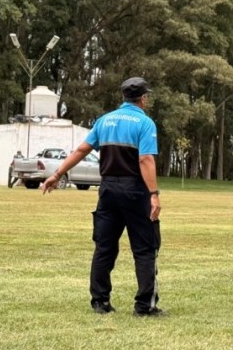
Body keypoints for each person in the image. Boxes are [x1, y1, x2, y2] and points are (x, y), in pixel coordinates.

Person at [42, 77, 163, 317]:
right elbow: (145, 159)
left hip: (107, 190)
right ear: (142, 98)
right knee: (145, 248)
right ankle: (144, 306)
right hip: (135, 190)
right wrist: (154, 194)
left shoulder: (104, 121)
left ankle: (100, 301)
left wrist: (57, 174)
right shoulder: (145, 123)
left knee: (104, 247)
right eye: (146, 96)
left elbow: (81, 150)